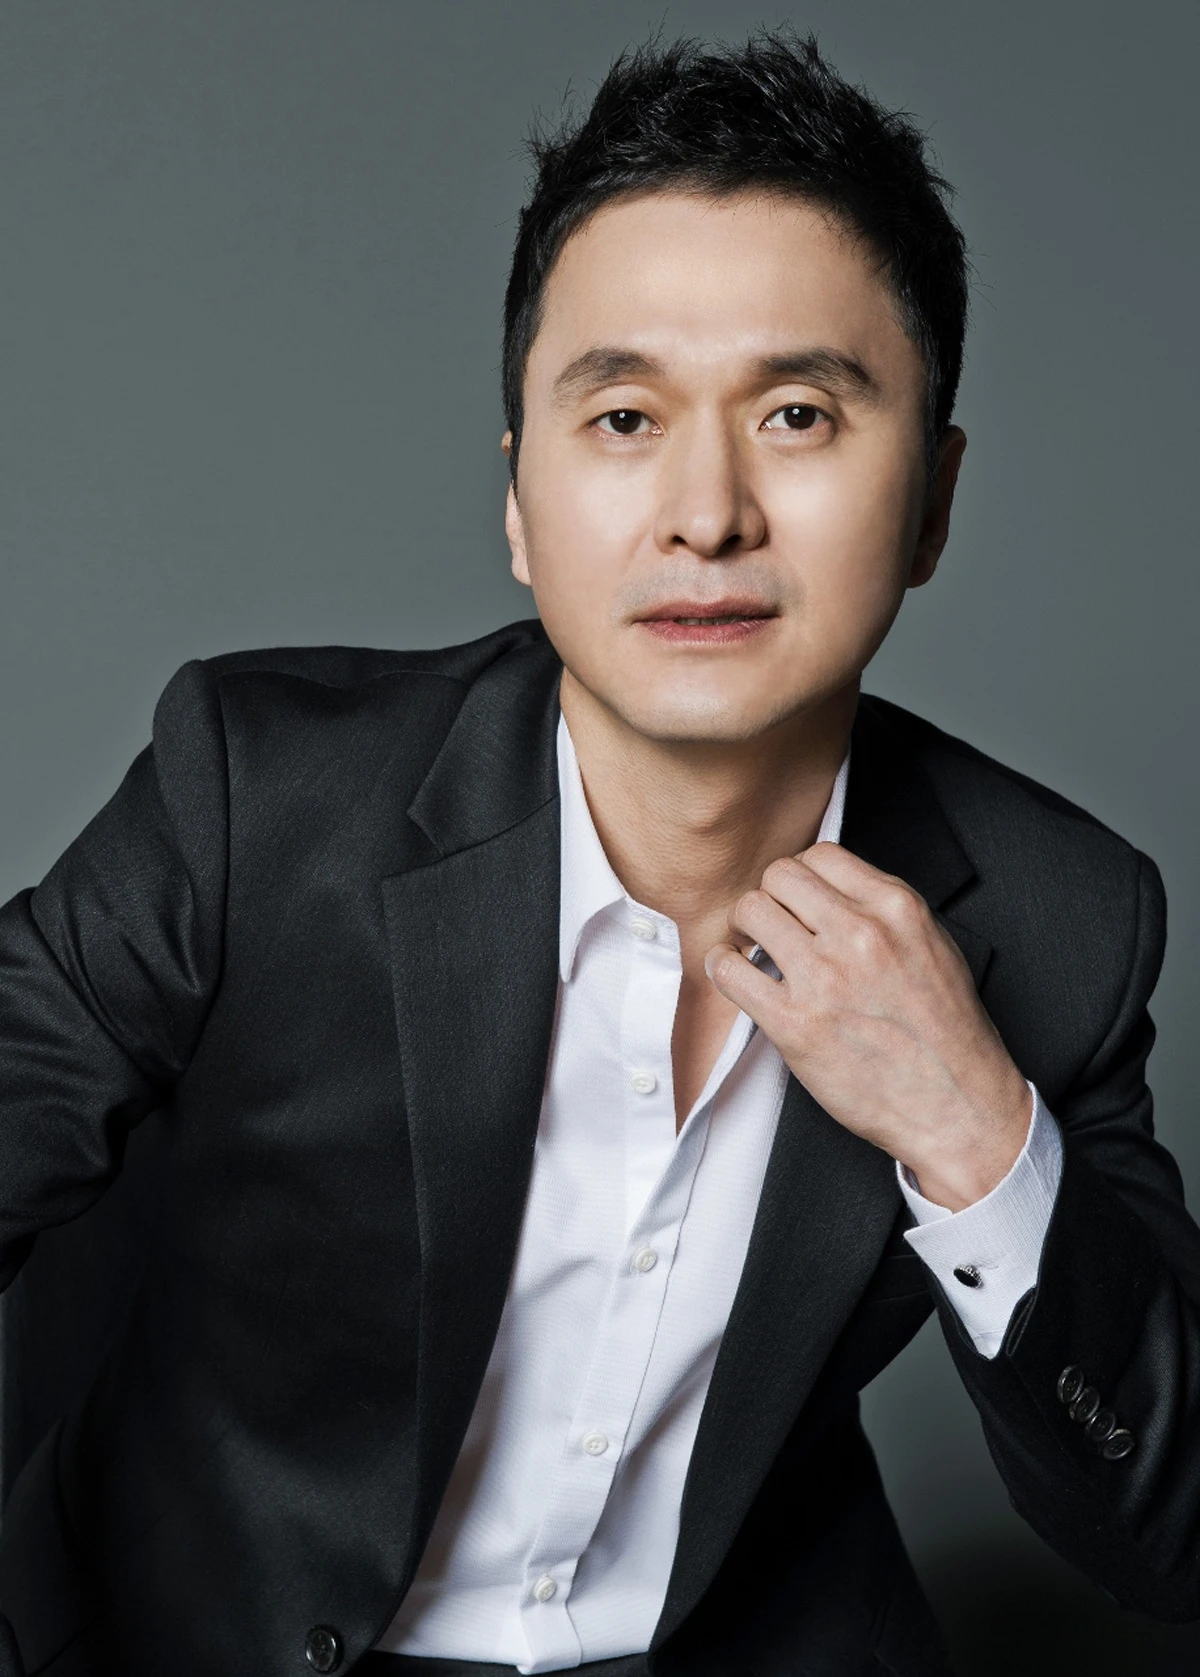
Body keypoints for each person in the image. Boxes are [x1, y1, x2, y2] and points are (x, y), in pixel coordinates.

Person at [1, 26, 1198, 1677]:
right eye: (625, 416)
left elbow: (1176, 1529)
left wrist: (976, 1133)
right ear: (520, 500)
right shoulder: (260, 798)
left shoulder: (1061, 922)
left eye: (798, 413)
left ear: (932, 502)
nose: (706, 513)